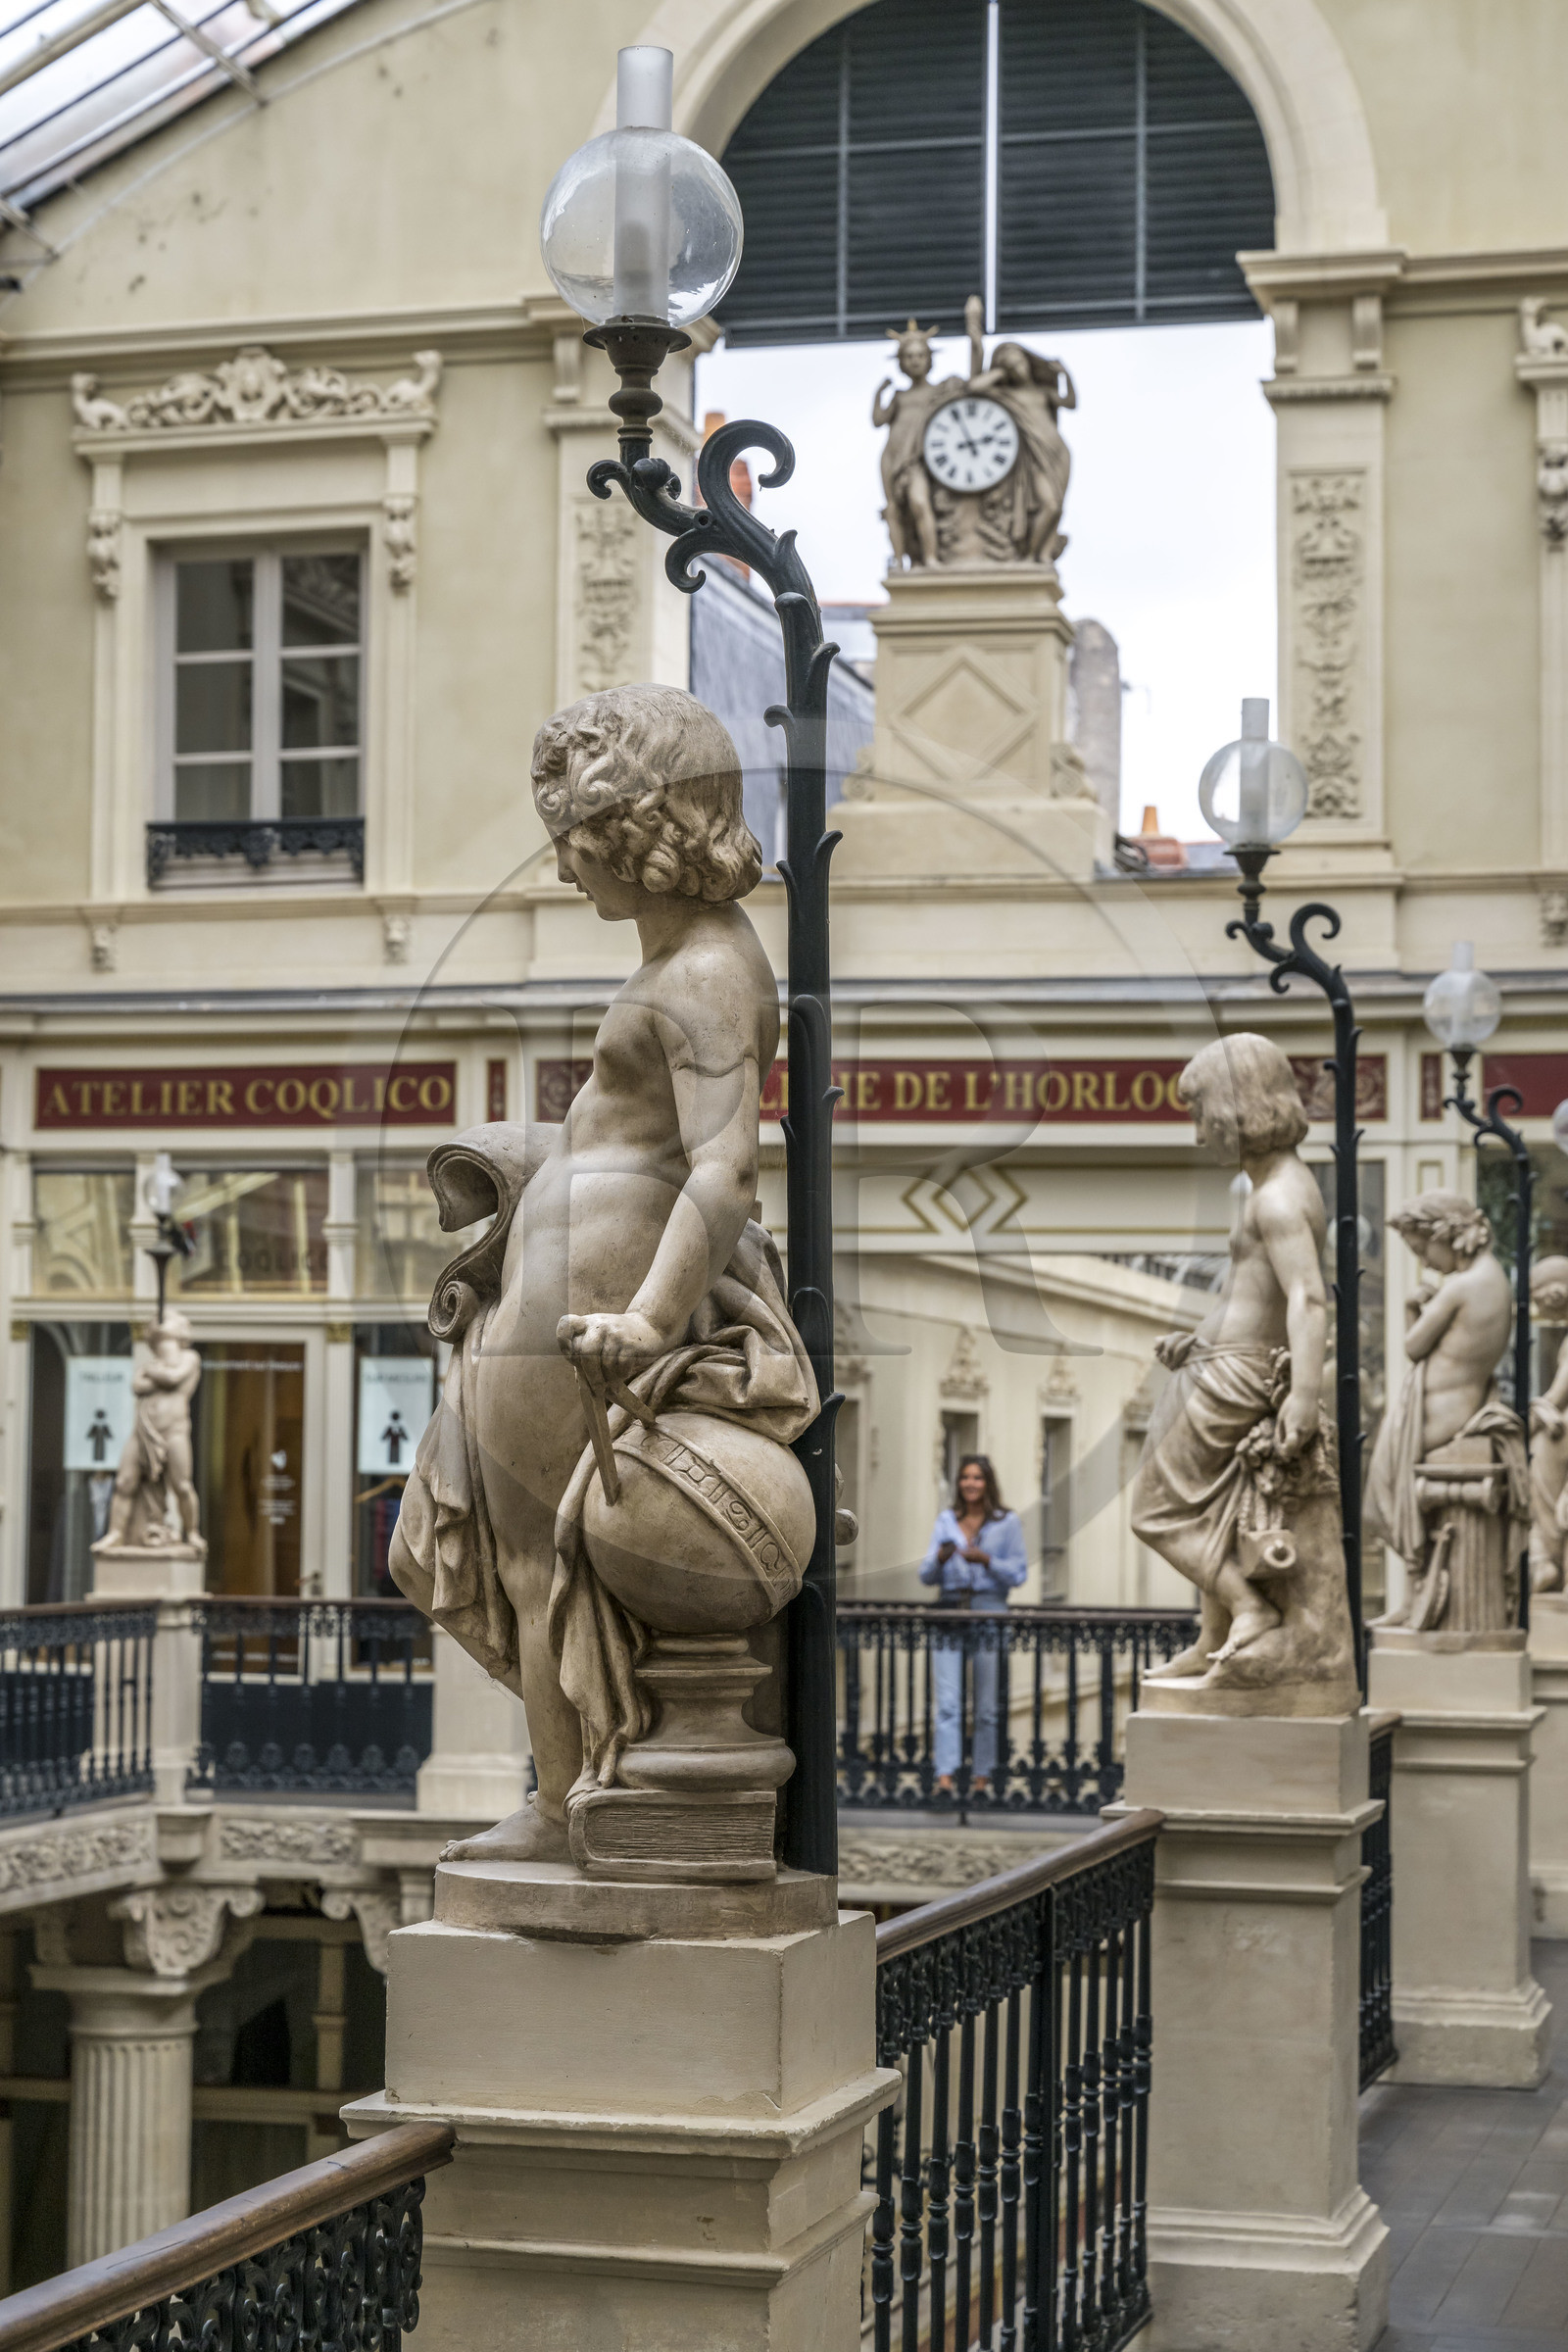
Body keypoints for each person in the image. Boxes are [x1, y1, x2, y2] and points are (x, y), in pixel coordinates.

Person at [389, 683, 817, 1862]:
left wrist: (643, 1319)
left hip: (596, 1308)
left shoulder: (710, 973)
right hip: (563, 1291)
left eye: (576, 838)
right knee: (531, 1562)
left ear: (638, 830)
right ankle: (564, 1796)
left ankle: (561, 1809)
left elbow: (723, 1170)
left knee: (541, 1564)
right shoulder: (681, 958)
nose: (569, 866)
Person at [1131, 1034, 1354, 1698]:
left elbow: (1310, 1298)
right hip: (1221, 1359)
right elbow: (1242, 1296)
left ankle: (1253, 1609)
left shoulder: (1281, 1196)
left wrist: (1305, 1398)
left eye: (1202, 1113)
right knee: (1218, 1509)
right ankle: (1213, 1637)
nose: (1199, 1134)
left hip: (1241, 1373)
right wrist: (1193, 1339)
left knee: (1157, 1508)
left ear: (1237, 1106)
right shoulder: (1258, 1188)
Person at [919, 1454, 1027, 1796]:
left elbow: (1019, 1573)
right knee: (949, 1702)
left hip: (988, 1612)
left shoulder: (1006, 1522)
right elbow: (925, 1575)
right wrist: (941, 1557)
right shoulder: (947, 1520)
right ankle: (945, 1779)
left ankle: (982, 1778)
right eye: (965, 1477)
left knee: (985, 1707)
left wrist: (987, 1560)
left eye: (977, 1478)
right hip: (951, 1611)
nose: (970, 1483)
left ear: (987, 1483)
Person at [98, 1309, 203, 1549]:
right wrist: (156, 1373)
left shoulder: (190, 1358)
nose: (162, 1346)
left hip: (174, 1431)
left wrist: (153, 1373)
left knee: (182, 1485)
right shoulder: (150, 1365)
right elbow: (137, 1385)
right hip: (143, 1430)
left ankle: (192, 1532)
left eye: (166, 1340)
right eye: (158, 1341)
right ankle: (116, 1533)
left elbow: (173, 1378)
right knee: (124, 1482)